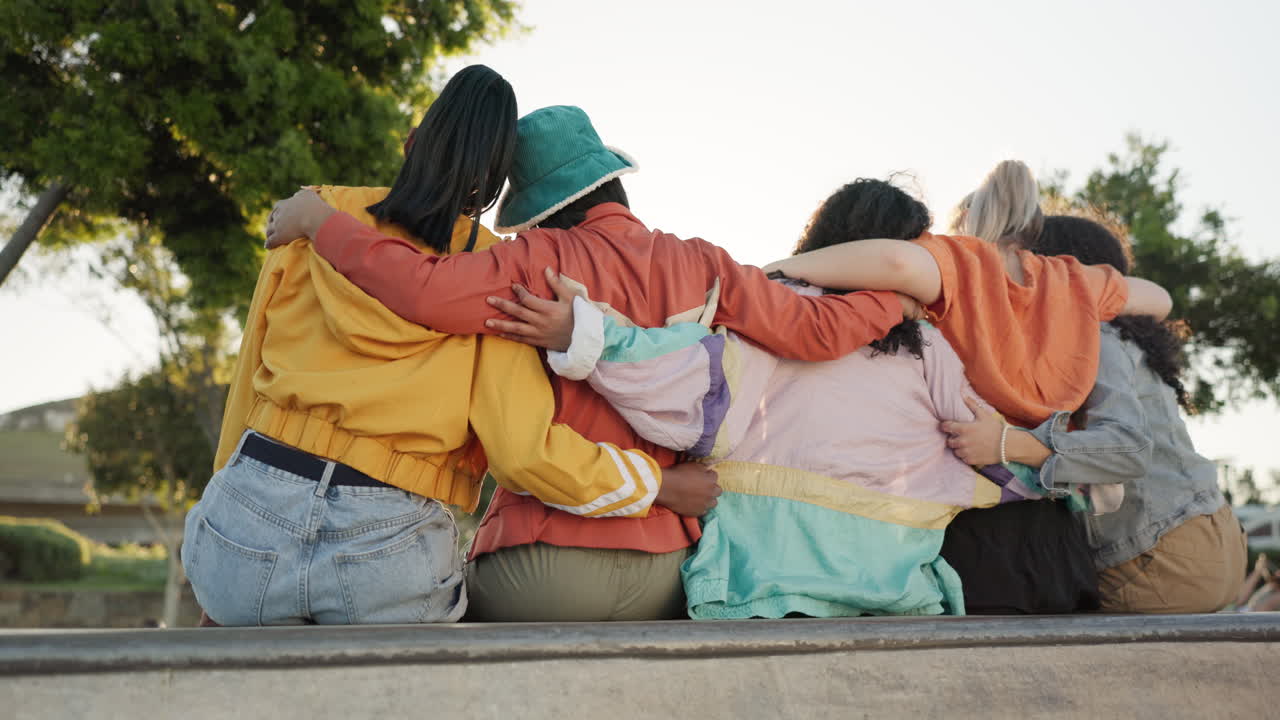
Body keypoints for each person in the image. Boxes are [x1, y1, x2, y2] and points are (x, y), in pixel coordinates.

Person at [263, 105, 915, 621]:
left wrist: (322, 223)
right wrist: (904, 292)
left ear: (536, 204)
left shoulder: (532, 260)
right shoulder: (704, 264)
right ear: (611, 183)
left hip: (537, 571)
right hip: (665, 570)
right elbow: (819, 330)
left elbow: (424, 290)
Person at [184, 68, 714, 627]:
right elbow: (523, 453)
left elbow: (246, 391)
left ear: (414, 141)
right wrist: (659, 485)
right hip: (386, 548)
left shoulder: (310, 217)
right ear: (494, 185)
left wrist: (225, 540)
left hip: (246, 514)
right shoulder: (496, 272)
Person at [486, 178, 1049, 618]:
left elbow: (676, 387)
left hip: (754, 592)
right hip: (897, 593)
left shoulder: (768, 317)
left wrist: (584, 335)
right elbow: (998, 449)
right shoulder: (932, 351)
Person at [762, 160, 1173, 613]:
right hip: (1060, 537)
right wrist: (1080, 299)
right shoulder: (1071, 281)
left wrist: (776, 268)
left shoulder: (961, 262)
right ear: (1035, 228)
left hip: (971, 526)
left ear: (964, 224)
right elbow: (1159, 299)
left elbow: (896, 260)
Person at [943, 215, 1248, 613]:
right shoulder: (1123, 338)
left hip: (1159, 555)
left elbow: (1127, 449)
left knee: (1025, 597)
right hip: (1205, 535)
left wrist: (1009, 444)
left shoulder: (1098, 338)